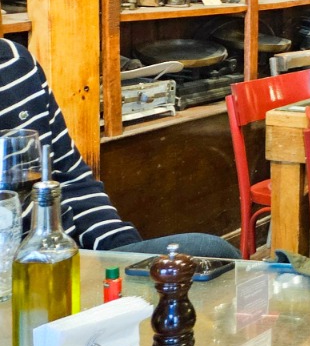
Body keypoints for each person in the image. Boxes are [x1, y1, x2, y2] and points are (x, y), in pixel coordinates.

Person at [0, 39, 239, 258]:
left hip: (62, 257)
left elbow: (74, 182)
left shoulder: (15, 63)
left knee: (212, 251)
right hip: (15, 268)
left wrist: (124, 254)